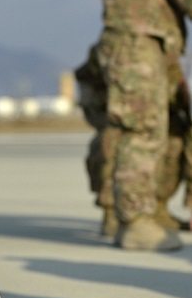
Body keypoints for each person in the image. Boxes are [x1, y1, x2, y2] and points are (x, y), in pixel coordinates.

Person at [89, 0, 192, 251]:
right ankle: (135, 220)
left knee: (160, 129)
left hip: (148, 37)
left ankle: (147, 211)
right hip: (138, 38)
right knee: (142, 129)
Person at [76, 41, 192, 238]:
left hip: (154, 116)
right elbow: (87, 85)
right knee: (117, 139)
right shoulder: (119, 50)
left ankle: (157, 208)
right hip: (115, 118)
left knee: (173, 139)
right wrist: (108, 115)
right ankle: (114, 211)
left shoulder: (169, 57)